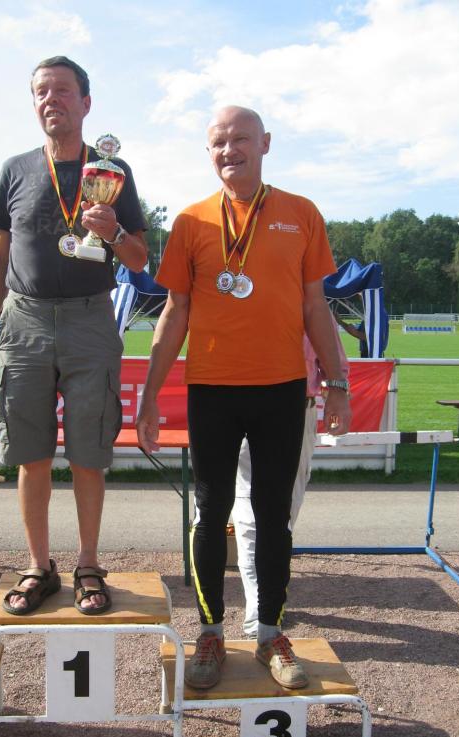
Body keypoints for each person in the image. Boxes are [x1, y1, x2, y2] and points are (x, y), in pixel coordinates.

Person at [136, 106, 351, 690]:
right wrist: (150, 395)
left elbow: (316, 307)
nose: (229, 150)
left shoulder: (301, 214)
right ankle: (209, 632)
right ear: (209, 152)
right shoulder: (190, 220)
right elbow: (174, 312)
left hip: (282, 388)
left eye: (240, 139)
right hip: (212, 388)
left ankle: (269, 634)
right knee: (210, 513)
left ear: (265, 143)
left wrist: (336, 383)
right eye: (218, 142)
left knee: (273, 515)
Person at [0, 56, 147, 615]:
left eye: (63, 91)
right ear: (34, 104)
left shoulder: (113, 170)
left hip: (90, 319)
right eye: (42, 92)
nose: (52, 100)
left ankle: (89, 564)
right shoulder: (16, 169)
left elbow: (139, 259)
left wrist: (113, 231)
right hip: (23, 321)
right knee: (30, 452)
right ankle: (38, 566)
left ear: (86, 103)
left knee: (88, 452)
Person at [233, 325, 349, 638]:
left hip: (299, 407)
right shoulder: (236, 295)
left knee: (284, 512)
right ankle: (259, 607)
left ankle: (268, 596)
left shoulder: (309, 300)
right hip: (241, 403)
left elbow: (333, 355)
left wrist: (338, 392)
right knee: (248, 512)